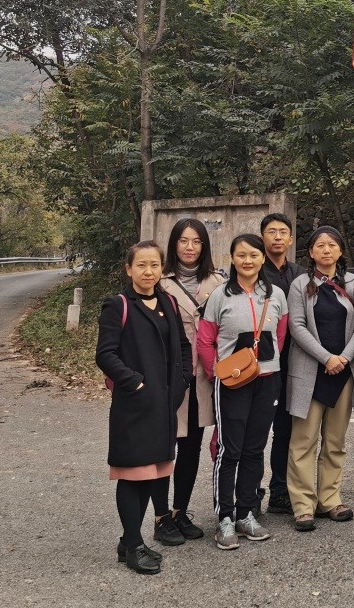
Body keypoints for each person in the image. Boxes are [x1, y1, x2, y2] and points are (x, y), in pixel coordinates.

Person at [95, 241, 191, 575]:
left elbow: (183, 345)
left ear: (162, 268)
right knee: (132, 475)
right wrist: (135, 383)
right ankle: (134, 545)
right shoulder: (118, 305)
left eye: (154, 265)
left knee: (153, 474)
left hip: (164, 405)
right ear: (129, 269)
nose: (148, 271)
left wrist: (182, 381)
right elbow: (105, 354)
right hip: (134, 406)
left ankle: (129, 542)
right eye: (141, 265)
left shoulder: (169, 302)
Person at [195, 234, 286, 549]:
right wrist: (217, 373)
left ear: (263, 259)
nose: (248, 261)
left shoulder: (276, 295)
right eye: (241, 255)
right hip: (232, 383)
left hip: (268, 379)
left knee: (254, 448)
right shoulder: (220, 295)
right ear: (232, 259)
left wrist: (266, 365)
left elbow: (281, 334)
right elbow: (205, 341)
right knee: (229, 450)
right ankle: (224, 517)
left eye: (254, 255)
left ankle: (246, 513)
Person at [285, 226, 354, 532]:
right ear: (310, 252)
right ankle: (303, 505)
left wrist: (343, 358)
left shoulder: (353, 283)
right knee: (303, 441)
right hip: (310, 373)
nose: (326, 250)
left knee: (335, 441)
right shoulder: (300, 285)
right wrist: (326, 358)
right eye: (320, 245)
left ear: (341, 250)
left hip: (343, 373)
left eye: (332, 245)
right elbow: (296, 326)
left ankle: (330, 499)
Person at [152, 218, 224, 546]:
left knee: (191, 446)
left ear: (204, 245)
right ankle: (161, 516)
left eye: (196, 241)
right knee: (164, 447)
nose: (190, 247)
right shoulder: (160, 281)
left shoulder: (218, 282)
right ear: (174, 244)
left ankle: (180, 511)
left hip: (203, 377)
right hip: (169, 376)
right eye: (183, 241)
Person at [258, 213, 308, 517]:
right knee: (255, 431)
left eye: (283, 232)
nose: (277, 237)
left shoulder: (300, 274)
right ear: (262, 237)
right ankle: (250, 494)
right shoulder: (253, 270)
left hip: (295, 364)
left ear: (290, 239)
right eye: (271, 232)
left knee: (286, 432)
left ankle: (280, 492)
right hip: (262, 364)